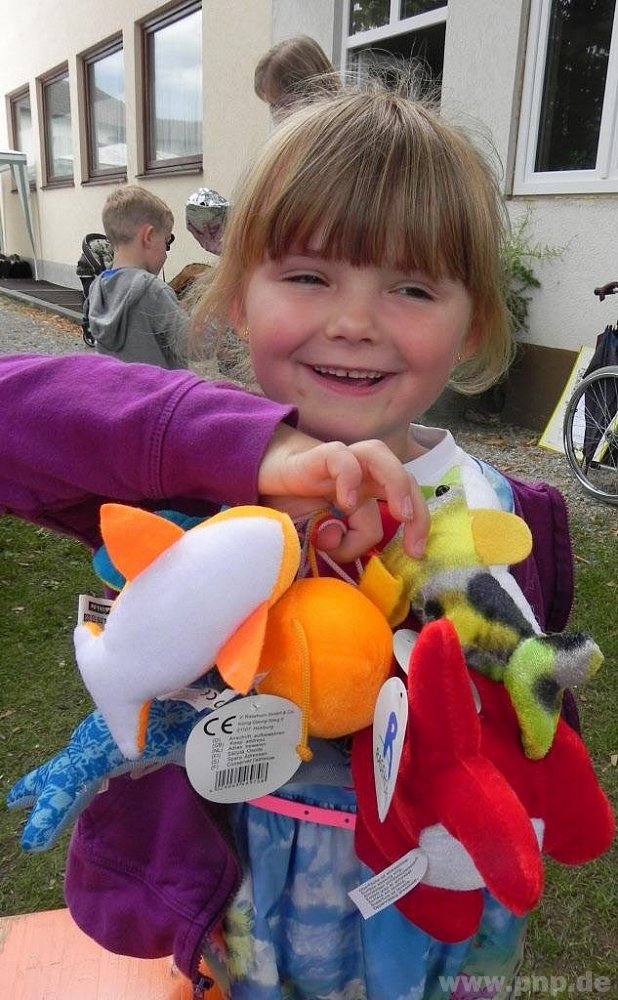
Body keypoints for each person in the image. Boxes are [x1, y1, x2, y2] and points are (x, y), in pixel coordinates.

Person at [2, 81, 579, 999]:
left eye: (413, 286)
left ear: (472, 320)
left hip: (441, 932)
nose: (355, 320)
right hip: (243, 932)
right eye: (309, 275)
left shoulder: (511, 515)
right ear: (237, 301)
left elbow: (534, 724)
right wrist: (249, 444)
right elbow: (13, 412)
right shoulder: (197, 486)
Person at [86, 185, 189, 368]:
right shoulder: (152, 291)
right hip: (161, 393)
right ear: (148, 237)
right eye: (166, 242)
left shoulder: (98, 287)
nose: (166, 253)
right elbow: (192, 347)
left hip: (121, 394)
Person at [254, 34, 341, 122]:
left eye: (286, 104)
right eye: (273, 105)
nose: (278, 116)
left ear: (316, 90)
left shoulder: (341, 130)